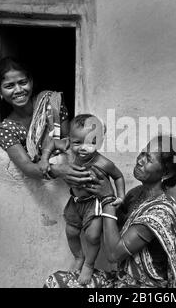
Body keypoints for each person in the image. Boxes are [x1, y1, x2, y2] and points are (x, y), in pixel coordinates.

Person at [44, 135, 176, 288]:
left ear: (166, 174)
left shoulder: (160, 213)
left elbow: (114, 254)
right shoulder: (136, 194)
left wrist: (107, 198)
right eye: (142, 153)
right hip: (122, 279)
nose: (140, 160)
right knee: (55, 282)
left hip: (144, 287)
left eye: (148, 159)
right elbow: (112, 225)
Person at [40, 114, 126, 285]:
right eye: (77, 143)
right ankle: (79, 256)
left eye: (91, 143)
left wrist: (121, 196)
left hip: (94, 204)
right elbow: (52, 142)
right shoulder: (68, 146)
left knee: (93, 236)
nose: (83, 148)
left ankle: (88, 264)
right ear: (70, 139)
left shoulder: (103, 162)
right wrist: (44, 158)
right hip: (75, 202)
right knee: (71, 232)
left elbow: (118, 176)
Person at [0, 57, 92, 186]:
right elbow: (27, 167)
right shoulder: (6, 130)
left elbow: (69, 141)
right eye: (9, 86)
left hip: (75, 179)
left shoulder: (51, 102)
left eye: (23, 82)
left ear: (31, 81)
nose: (18, 90)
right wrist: (57, 170)